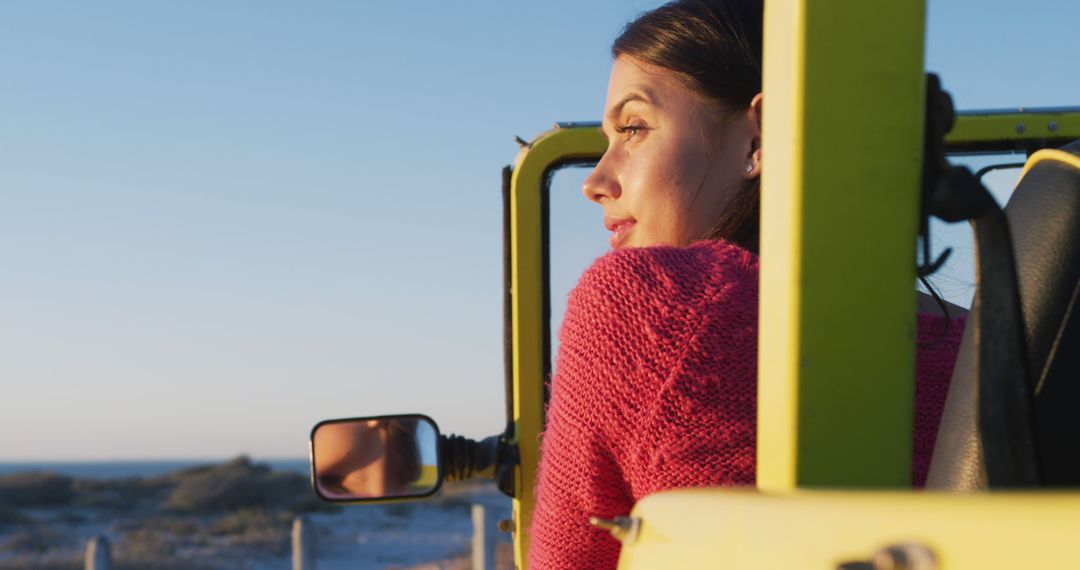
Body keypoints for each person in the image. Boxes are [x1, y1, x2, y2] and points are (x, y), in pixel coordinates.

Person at [527, 0, 966, 568]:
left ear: (759, 136)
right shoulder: (987, 342)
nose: (595, 180)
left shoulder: (646, 306)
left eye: (633, 128)